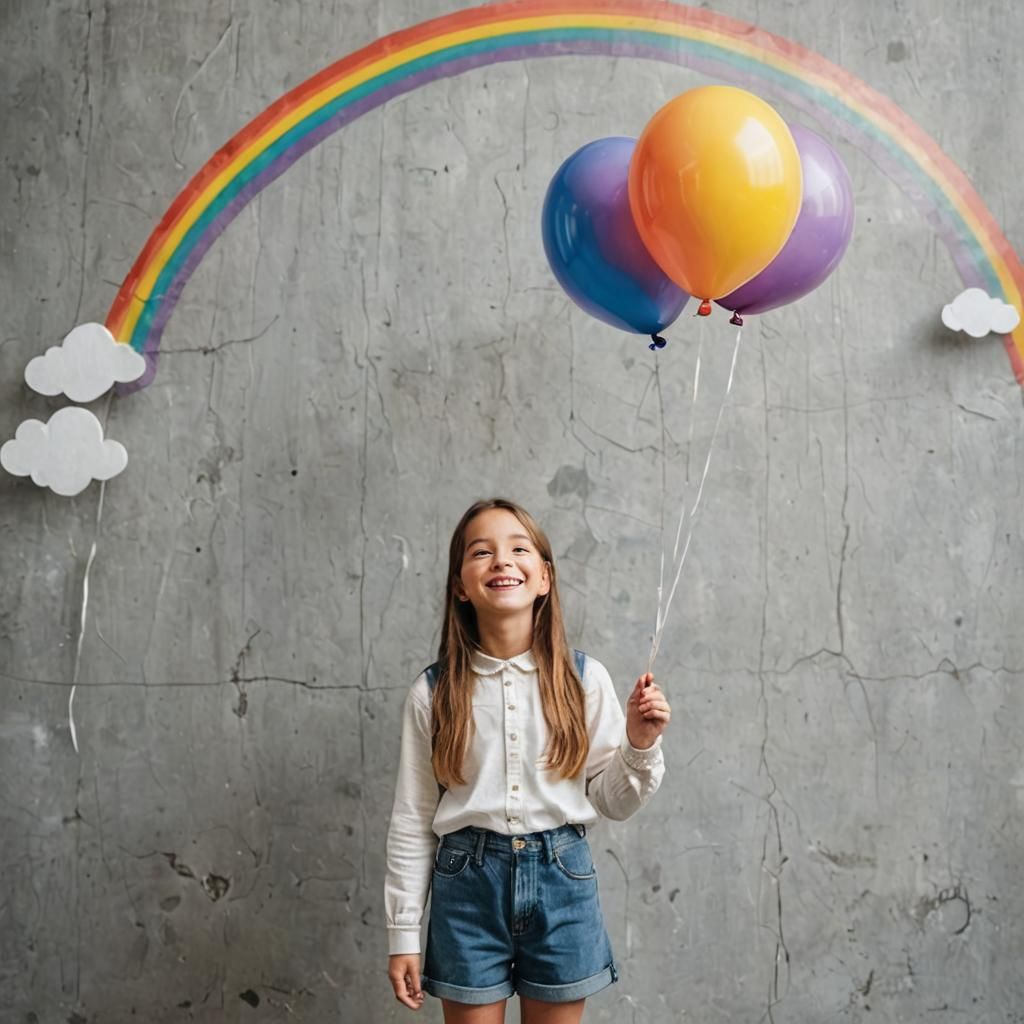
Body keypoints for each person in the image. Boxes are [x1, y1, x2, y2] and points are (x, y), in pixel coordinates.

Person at [384, 498, 671, 1023]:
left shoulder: (586, 681)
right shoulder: (433, 692)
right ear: (459, 584)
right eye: (481, 552)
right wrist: (403, 931)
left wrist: (639, 743)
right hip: (466, 886)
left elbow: (613, 802)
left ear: (544, 578)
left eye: (519, 548)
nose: (501, 560)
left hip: (564, 882)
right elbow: (412, 818)